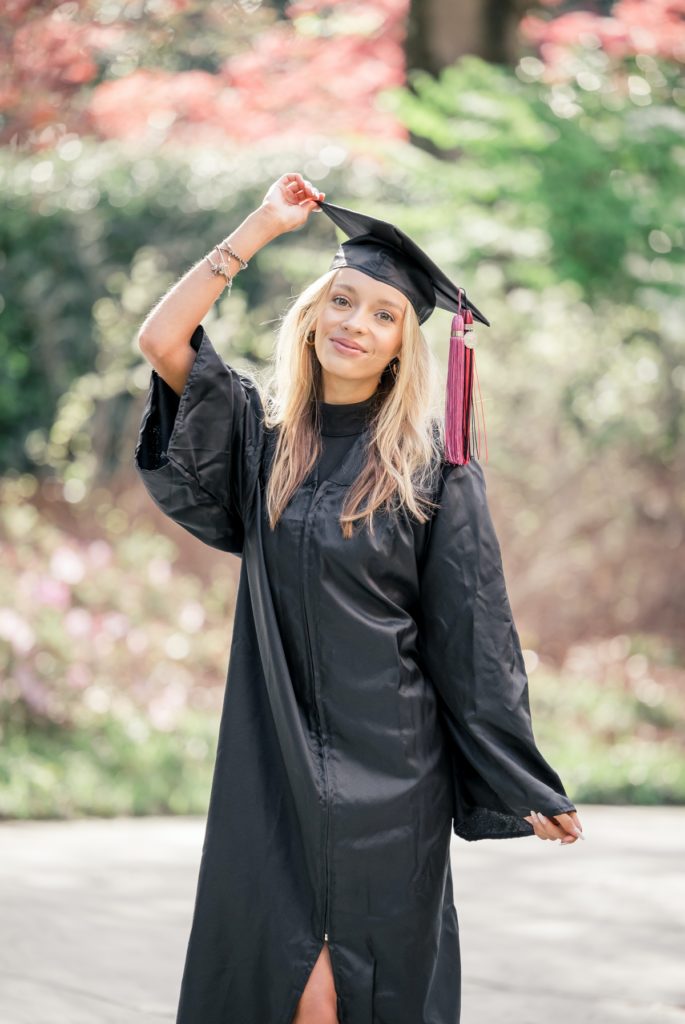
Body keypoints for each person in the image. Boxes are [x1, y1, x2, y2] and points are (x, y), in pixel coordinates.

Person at [134, 172, 584, 1024]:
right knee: (277, 984)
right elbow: (163, 338)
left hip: (389, 777)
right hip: (270, 764)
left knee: (350, 997)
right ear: (312, 314)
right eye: (343, 301)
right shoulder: (261, 444)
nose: (356, 324)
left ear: (400, 347)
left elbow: (472, 635)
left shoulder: (430, 474)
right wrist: (259, 227)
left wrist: (522, 777)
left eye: (383, 315)